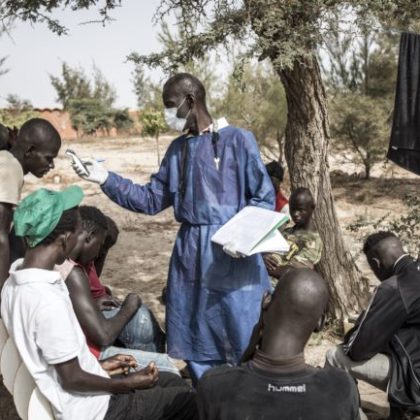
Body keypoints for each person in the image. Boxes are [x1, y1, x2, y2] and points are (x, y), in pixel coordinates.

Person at [71, 72, 275, 383]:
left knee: (241, 327)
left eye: (170, 104)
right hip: (191, 256)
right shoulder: (178, 150)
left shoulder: (238, 140)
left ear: (190, 101)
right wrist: (106, 178)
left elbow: (264, 197)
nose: (167, 113)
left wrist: (246, 237)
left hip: (234, 253)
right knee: (197, 332)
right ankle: (206, 394)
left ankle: (245, 395)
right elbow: (151, 199)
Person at [1, 186, 197, 420]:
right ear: (64, 239)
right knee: (188, 401)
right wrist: (126, 383)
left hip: (79, 391)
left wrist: (102, 367)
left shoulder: (14, 282)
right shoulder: (46, 301)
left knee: (171, 380)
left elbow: (55, 364)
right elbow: (71, 379)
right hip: (95, 409)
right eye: (76, 233)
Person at [197, 268, 361, 420]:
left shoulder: (215, 385)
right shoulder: (340, 388)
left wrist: (248, 352)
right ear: (321, 323)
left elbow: (239, 381)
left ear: (266, 303)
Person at [57, 205, 177, 374]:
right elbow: (103, 336)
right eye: (100, 246)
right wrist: (129, 306)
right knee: (167, 366)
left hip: (82, 345)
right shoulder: (72, 272)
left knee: (145, 326)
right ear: (89, 237)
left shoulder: (65, 264)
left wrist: (93, 304)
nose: (99, 254)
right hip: (88, 354)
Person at [326, 231, 420, 419]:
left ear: (376, 263)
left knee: (335, 356)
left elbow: (358, 350)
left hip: (415, 379)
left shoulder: (395, 287)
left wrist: (358, 326)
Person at [0, 118, 61, 291]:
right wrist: (3, 290)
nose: (52, 165)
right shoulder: (9, 168)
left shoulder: (7, 160)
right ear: (30, 151)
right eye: (48, 158)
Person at [264, 187, 323, 280]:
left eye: (300, 210)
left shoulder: (313, 241)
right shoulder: (287, 232)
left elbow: (294, 272)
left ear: (312, 207)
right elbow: (269, 254)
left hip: (279, 286)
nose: (295, 214)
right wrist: (264, 259)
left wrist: (264, 267)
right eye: (292, 209)